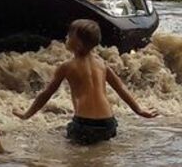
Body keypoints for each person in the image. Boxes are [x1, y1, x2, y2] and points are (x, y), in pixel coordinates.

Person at [12, 19, 159, 145]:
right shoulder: (102, 64)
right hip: (108, 123)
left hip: (84, 124)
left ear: (78, 44)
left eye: (70, 36)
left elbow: (46, 94)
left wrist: (26, 114)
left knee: (71, 152)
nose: (66, 37)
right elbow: (121, 88)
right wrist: (139, 110)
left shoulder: (67, 66)